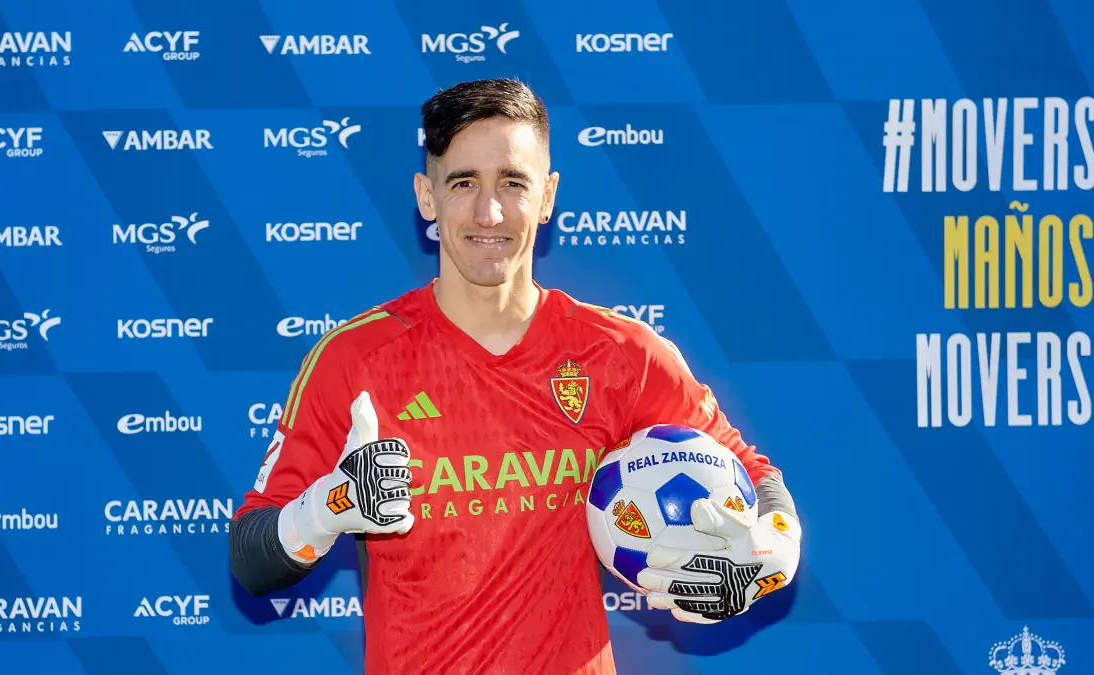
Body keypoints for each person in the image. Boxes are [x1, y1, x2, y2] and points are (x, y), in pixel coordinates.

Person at [229, 77, 802, 675]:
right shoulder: (354, 360)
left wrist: (765, 559)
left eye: (513, 182)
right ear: (426, 196)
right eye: (463, 183)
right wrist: (326, 510)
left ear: (548, 195)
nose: (489, 212)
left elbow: (754, 477)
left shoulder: (622, 354)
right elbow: (251, 559)